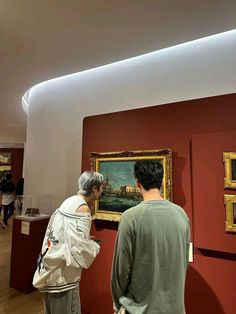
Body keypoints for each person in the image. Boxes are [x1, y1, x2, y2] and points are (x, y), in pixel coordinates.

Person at [111, 159, 190, 314]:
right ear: (161, 181)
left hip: (140, 309)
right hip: (175, 308)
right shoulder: (181, 214)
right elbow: (184, 260)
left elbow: (120, 270)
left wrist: (119, 303)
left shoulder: (131, 217)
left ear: (137, 183)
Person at [33, 171, 104, 314]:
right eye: (101, 188)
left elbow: (62, 234)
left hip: (51, 268)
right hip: (64, 277)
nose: (102, 191)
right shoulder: (83, 208)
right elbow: (80, 252)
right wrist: (95, 246)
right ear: (94, 189)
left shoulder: (69, 201)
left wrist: (83, 240)